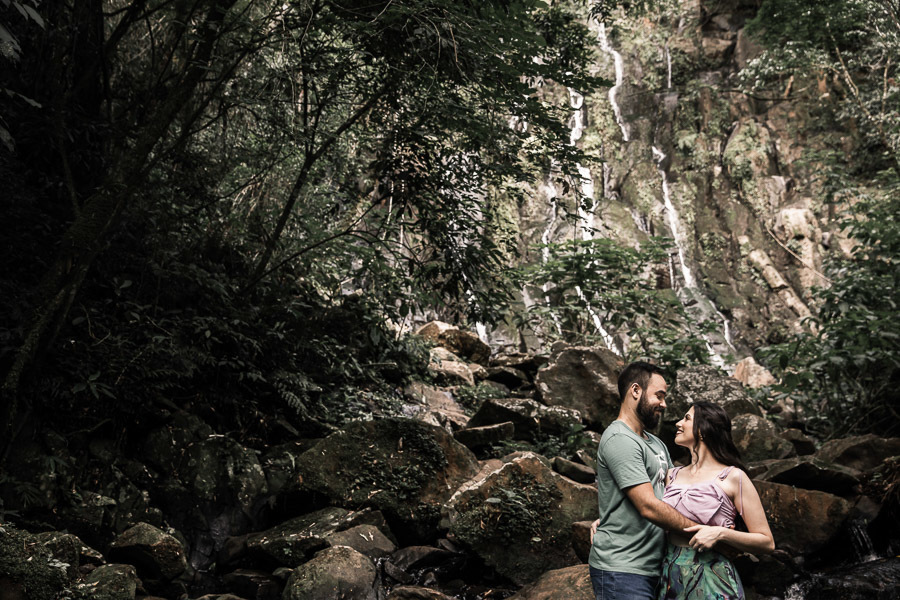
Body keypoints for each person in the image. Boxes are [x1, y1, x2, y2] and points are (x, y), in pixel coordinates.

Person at [588, 362, 701, 600]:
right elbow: (648, 506)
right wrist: (699, 530)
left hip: (657, 566)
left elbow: (676, 492)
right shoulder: (620, 439)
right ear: (636, 391)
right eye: (659, 396)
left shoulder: (656, 443)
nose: (664, 404)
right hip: (622, 569)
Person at [658, 402, 775, 600]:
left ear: (703, 429)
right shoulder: (671, 475)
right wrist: (608, 522)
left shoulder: (733, 477)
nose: (678, 423)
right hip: (671, 575)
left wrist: (720, 533)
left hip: (714, 578)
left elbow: (767, 542)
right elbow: (645, 508)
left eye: (686, 418)